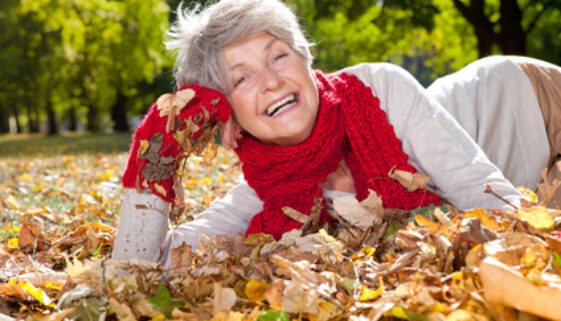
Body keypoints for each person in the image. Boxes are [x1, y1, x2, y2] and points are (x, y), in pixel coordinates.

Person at [112, 0, 561, 268]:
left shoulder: (377, 87)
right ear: (226, 118)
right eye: (241, 79)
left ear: (307, 61)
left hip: (526, 99)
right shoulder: (262, 198)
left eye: (279, 56)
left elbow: (493, 200)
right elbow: (140, 266)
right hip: (537, 183)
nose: (270, 81)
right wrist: (159, 153)